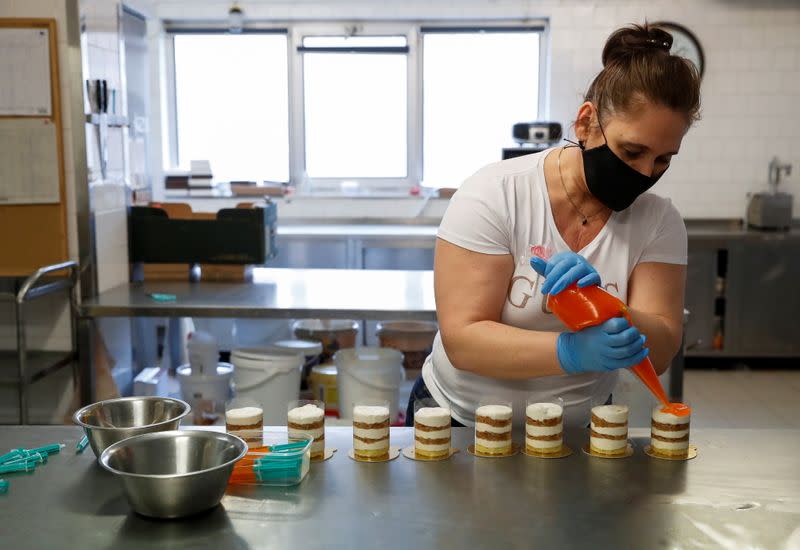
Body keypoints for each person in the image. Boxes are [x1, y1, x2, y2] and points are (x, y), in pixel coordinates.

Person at [406, 23, 701, 428]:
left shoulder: (658, 221)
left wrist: (611, 308)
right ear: (585, 123)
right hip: (460, 419)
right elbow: (464, 341)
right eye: (632, 151)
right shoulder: (496, 194)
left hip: (577, 428)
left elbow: (663, 348)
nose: (645, 173)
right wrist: (570, 352)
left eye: (663, 159)